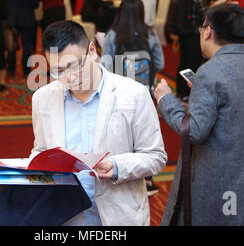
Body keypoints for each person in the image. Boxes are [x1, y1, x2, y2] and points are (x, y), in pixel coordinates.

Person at [32, 20, 167, 225]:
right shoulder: (43, 98)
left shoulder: (133, 94)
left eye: (74, 65)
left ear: (93, 51)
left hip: (118, 216)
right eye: (58, 71)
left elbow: (155, 157)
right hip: (68, 217)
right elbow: (41, 150)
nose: (69, 77)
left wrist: (117, 166)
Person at [154, 4, 244, 225]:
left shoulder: (210, 72)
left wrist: (165, 99)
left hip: (215, 186)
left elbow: (194, 132)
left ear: (208, 31)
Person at [102, 0, 164, 196]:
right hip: (146, 92)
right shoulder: (151, 34)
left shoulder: (113, 35)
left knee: (123, 131)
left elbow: (105, 65)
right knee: (144, 133)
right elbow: (160, 64)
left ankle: (120, 169)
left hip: (121, 92)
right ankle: (149, 181)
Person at [172, 0, 214, 102]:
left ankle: (181, 91)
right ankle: (188, 92)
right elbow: (206, 17)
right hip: (195, 36)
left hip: (184, 34)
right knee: (193, 65)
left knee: (183, 63)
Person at [3, 0, 39, 78]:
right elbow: (35, 5)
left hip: (12, 19)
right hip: (27, 19)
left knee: (11, 45)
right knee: (26, 45)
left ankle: (11, 69)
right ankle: (26, 70)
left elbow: (3, 4)